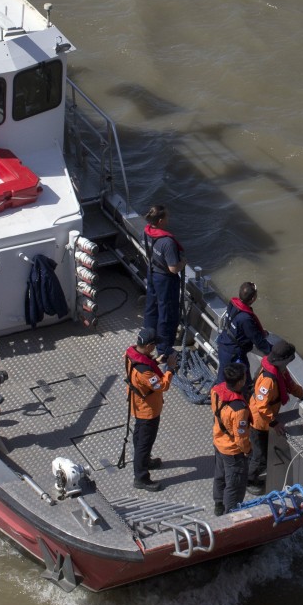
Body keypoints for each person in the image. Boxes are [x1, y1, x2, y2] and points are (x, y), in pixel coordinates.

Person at [246, 338, 303, 494]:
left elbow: (290, 386)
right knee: (261, 456)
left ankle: (251, 462)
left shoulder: (280, 370)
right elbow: (261, 406)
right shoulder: (268, 381)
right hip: (259, 422)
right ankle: (250, 480)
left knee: (259, 450)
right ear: (282, 360)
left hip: (265, 418)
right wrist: (274, 423)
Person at [124, 329, 174, 491]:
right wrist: (170, 369)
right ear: (148, 346)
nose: (154, 348)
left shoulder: (131, 355)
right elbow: (161, 385)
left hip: (138, 404)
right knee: (144, 442)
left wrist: (156, 362)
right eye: (153, 345)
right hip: (148, 411)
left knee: (139, 437)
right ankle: (141, 477)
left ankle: (144, 461)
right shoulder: (144, 371)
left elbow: (145, 366)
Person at [141, 205, 184, 360]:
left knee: (151, 306)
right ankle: (163, 350)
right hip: (165, 279)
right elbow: (173, 269)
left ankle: (147, 337)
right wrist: (183, 263)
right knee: (166, 313)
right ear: (160, 221)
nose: (168, 219)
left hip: (152, 272)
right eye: (167, 217)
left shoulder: (146, 232)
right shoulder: (167, 242)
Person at [210, 363, 252, 515]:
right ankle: (231, 513)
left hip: (219, 442)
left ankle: (218, 504)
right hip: (232, 451)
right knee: (234, 484)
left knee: (220, 475)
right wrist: (247, 450)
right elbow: (240, 437)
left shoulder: (216, 391)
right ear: (240, 382)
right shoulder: (239, 410)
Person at [215, 282, 272, 375]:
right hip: (233, 354)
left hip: (224, 344)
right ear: (253, 299)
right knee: (237, 382)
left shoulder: (232, 304)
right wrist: (271, 351)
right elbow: (257, 340)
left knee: (227, 378)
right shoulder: (246, 319)